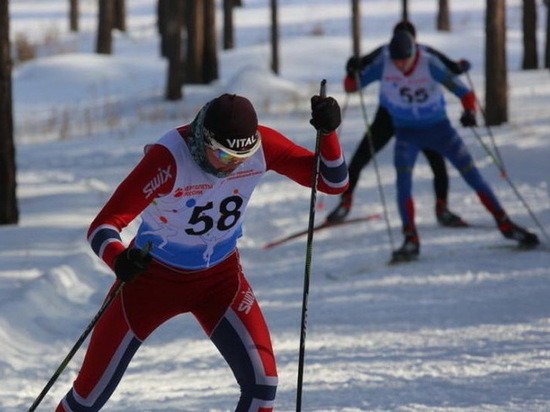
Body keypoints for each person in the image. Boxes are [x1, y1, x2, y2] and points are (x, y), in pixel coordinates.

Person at [56, 93, 348, 411]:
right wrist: (118, 258)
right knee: (87, 398)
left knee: (263, 385)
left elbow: (334, 182)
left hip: (219, 280)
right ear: (203, 138)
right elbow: (103, 227)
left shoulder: (261, 147)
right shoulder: (169, 158)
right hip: (151, 282)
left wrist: (328, 133)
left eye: (242, 157)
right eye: (223, 155)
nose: (232, 165)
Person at [343, 30, 539, 261]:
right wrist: (351, 69)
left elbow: (464, 92)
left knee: (472, 175)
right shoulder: (385, 64)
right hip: (406, 133)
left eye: (404, 60)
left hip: (439, 129)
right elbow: (351, 87)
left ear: (414, 53)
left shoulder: (429, 64)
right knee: (403, 183)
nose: (400, 65)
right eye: (396, 60)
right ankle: (410, 238)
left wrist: (469, 112)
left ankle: (505, 224)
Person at [327, 20, 471, 227]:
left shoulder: (422, 53)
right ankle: (346, 202)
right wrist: (353, 68)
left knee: (436, 163)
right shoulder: (388, 52)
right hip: (388, 116)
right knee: (362, 157)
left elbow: (450, 68)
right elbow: (359, 70)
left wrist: (460, 67)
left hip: (417, 120)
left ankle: (441, 208)